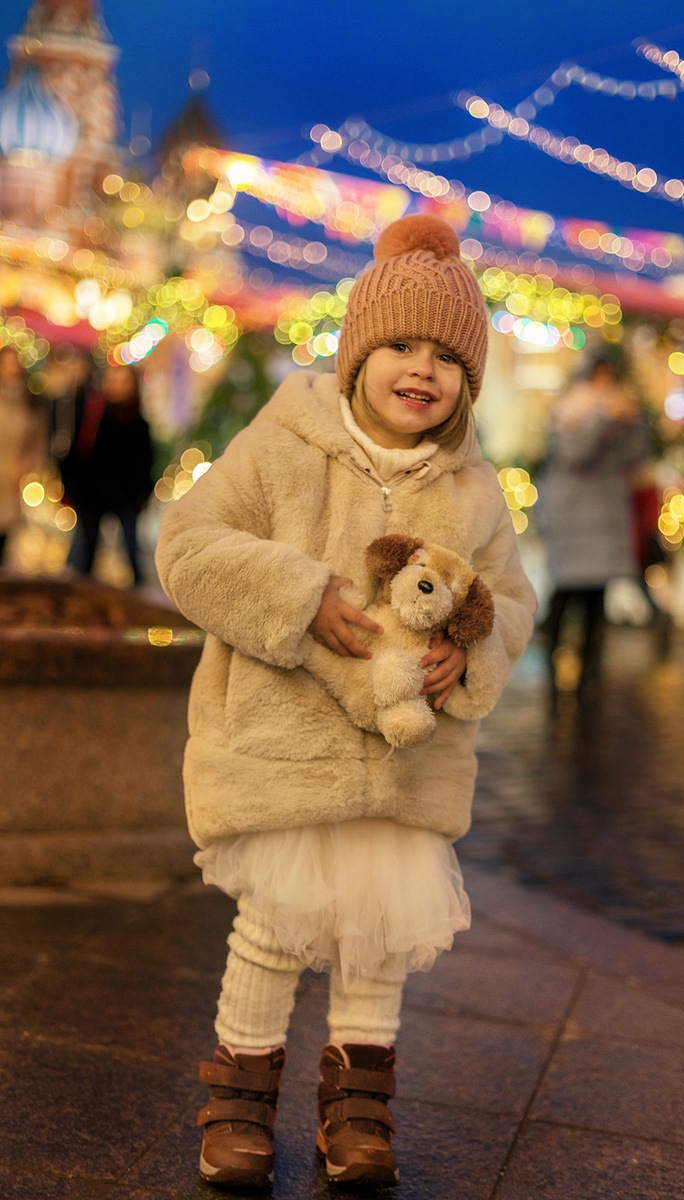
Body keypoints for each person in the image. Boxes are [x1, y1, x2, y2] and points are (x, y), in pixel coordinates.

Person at [155, 214, 535, 1190]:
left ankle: (356, 1108)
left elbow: (511, 601)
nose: (421, 370)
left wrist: (471, 650)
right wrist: (297, 594)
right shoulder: (284, 443)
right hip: (287, 752)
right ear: (357, 353)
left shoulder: (473, 489)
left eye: (447, 357)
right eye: (401, 346)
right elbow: (190, 546)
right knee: (274, 929)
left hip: (406, 768)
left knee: (375, 942)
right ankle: (238, 1096)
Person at [536, 348, 650, 703]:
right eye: (597, 376)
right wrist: (603, 417)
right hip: (571, 516)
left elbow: (636, 456)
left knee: (597, 600)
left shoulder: (623, 409)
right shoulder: (569, 410)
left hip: (605, 516)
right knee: (565, 593)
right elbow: (574, 455)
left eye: (609, 376)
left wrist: (634, 420)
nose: (604, 384)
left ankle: (590, 678)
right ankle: (551, 674)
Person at [60, 363, 154, 584]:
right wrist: (76, 489)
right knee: (84, 556)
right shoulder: (91, 417)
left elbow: (145, 463)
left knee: (132, 553)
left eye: (123, 381)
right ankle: (79, 599)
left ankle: (138, 601)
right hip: (92, 498)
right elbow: (78, 454)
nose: (117, 386)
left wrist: (139, 496)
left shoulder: (139, 424)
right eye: (113, 380)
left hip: (126, 499)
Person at [0, 346, 47, 566]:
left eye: (14, 363)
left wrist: (27, 466)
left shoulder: (29, 403)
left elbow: (38, 442)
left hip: (11, 485)